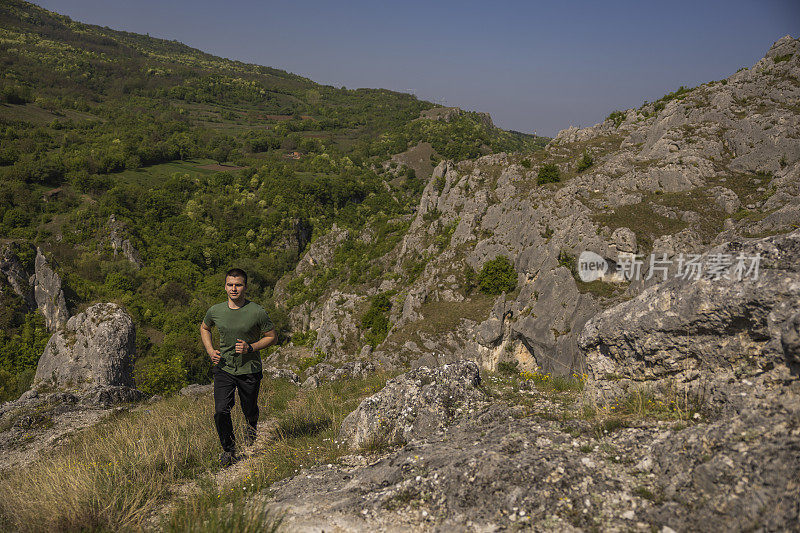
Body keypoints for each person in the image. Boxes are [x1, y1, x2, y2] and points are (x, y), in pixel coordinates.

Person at [200, 268, 276, 466]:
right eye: (230, 284)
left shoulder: (257, 311)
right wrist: (210, 350)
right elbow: (205, 327)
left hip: (249, 369)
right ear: (225, 286)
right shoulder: (215, 311)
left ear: (245, 287)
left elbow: (271, 337)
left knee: (249, 408)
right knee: (220, 410)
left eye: (238, 285)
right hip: (224, 368)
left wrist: (251, 347)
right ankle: (229, 449)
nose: (234, 289)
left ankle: (251, 426)